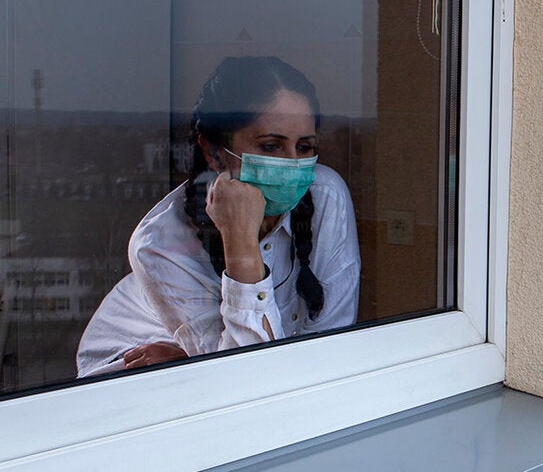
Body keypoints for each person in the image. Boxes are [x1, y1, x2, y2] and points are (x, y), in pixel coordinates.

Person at [77, 56, 360, 377]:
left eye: (305, 147)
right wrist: (241, 244)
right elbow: (244, 380)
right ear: (213, 152)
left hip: (206, 377)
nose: (293, 164)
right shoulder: (160, 243)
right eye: (271, 147)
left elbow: (331, 344)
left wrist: (191, 361)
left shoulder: (326, 195)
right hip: (126, 379)